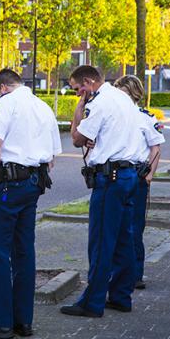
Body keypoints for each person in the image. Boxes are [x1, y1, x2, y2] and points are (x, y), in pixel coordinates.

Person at [0, 69, 62, 339]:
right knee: (24, 252)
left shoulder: (6, 103)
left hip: (7, 186)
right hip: (33, 185)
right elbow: (52, 157)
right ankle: (23, 320)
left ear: (1, 87)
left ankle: (0, 323)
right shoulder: (43, 107)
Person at [60, 65, 156, 318]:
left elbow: (78, 139)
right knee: (125, 239)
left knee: (102, 241)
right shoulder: (123, 99)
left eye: (78, 88)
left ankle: (92, 303)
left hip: (110, 179)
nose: (78, 93)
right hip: (129, 176)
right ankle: (121, 296)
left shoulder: (100, 102)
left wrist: (78, 111)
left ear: (89, 82)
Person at [113, 75, 164, 290]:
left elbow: (156, 146)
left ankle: (135, 273)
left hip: (136, 175)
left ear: (132, 92)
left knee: (135, 226)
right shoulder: (115, 114)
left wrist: (150, 174)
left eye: (120, 90)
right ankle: (119, 273)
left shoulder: (144, 117)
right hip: (117, 174)